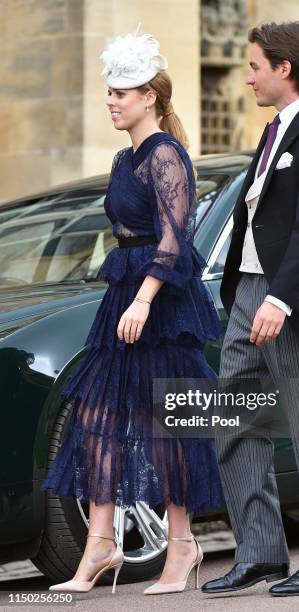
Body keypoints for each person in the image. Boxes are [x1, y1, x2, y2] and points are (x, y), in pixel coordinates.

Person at [41, 28, 224, 596]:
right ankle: (100, 544)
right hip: (125, 293)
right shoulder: (126, 158)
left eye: (122, 92)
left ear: (150, 97)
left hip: (159, 300)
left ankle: (184, 543)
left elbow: (175, 238)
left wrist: (144, 299)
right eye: (109, 93)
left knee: (165, 422)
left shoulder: (166, 154)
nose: (111, 101)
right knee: (97, 417)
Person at [201, 21, 299, 598]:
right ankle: (260, 553)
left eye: (254, 66)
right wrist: (245, 290)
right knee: (234, 421)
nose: (247, 77)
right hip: (247, 292)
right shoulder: (272, 130)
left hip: (294, 300)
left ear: (283, 68)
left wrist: (280, 299)